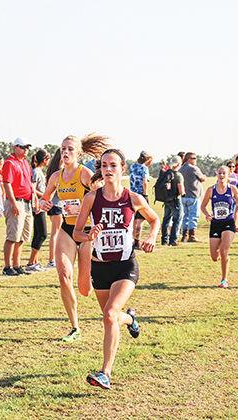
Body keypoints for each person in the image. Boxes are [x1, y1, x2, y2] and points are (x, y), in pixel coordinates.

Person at [73, 148, 160, 390]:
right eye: (104, 165)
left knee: (110, 313)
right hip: (100, 267)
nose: (108, 170)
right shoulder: (92, 198)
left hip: (125, 266)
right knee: (111, 317)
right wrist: (89, 234)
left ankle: (105, 373)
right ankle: (130, 318)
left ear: (122, 169)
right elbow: (77, 233)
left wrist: (152, 237)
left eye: (113, 165)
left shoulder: (133, 198)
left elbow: (154, 219)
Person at [39, 134, 109, 342]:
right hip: (67, 231)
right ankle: (75, 327)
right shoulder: (55, 177)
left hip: (87, 233)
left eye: (70, 149)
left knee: (85, 288)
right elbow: (44, 200)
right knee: (64, 277)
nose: (65, 153)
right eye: (63, 149)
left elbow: (101, 200)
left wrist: (80, 207)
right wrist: (44, 204)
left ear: (78, 152)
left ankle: (111, 313)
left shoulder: (84, 174)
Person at [200, 165, 238, 288]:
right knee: (214, 257)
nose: (222, 175)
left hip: (228, 222)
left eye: (224, 173)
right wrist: (208, 215)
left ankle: (224, 279)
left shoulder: (233, 189)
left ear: (229, 174)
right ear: (216, 174)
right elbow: (202, 206)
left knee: (224, 251)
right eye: (220, 173)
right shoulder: (211, 190)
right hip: (215, 223)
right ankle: (221, 255)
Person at [1, 138, 35, 276]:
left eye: (27, 147)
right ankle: (7, 266)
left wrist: (35, 198)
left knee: (22, 236)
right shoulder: (10, 163)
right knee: (12, 235)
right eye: (22, 147)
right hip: (17, 201)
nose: (25, 150)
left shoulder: (25, 163)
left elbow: (30, 182)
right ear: (15, 147)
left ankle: (17, 264)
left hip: (26, 202)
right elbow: (7, 183)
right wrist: (13, 202)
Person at [26, 149, 50, 271]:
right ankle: (31, 262)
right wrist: (45, 195)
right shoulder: (36, 172)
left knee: (38, 234)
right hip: (37, 206)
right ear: (45, 159)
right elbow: (32, 189)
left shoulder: (39, 171)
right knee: (42, 234)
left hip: (41, 205)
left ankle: (34, 261)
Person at [179, 152, 206, 242]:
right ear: (188, 159)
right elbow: (202, 179)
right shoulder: (194, 168)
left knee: (185, 216)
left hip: (183, 196)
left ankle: (184, 235)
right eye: (194, 158)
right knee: (193, 216)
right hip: (193, 195)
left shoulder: (181, 169)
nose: (195, 160)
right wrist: (204, 177)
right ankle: (192, 235)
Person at [129, 151, 152, 249]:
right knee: (140, 220)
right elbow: (144, 182)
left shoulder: (132, 166)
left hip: (132, 194)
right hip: (141, 195)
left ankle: (132, 239)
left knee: (133, 220)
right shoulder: (144, 168)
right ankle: (137, 241)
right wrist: (145, 194)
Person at [160, 155, 185, 246]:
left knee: (166, 219)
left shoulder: (167, 173)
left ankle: (164, 240)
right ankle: (173, 240)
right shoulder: (178, 175)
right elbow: (180, 188)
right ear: (178, 164)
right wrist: (183, 194)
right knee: (177, 219)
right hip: (176, 200)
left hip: (167, 200)